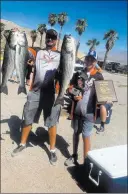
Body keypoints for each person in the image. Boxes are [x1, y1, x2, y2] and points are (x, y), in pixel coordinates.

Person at [12, 29, 61, 165]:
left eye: (52, 37)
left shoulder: (61, 56)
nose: (50, 39)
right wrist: (16, 35)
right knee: (27, 118)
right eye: (48, 37)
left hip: (52, 93)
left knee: (52, 122)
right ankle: (22, 143)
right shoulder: (38, 51)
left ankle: (52, 150)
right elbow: (23, 50)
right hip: (35, 91)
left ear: (56, 39)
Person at [64, 53, 104, 166]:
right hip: (76, 110)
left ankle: (86, 161)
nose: (89, 61)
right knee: (76, 133)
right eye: (87, 58)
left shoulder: (99, 76)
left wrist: (105, 100)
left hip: (90, 113)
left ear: (95, 62)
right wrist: (73, 93)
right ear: (85, 60)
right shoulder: (78, 74)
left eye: (92, 59)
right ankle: (74, 155)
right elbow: (69, 88)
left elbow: (103, 95)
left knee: (86, 136)